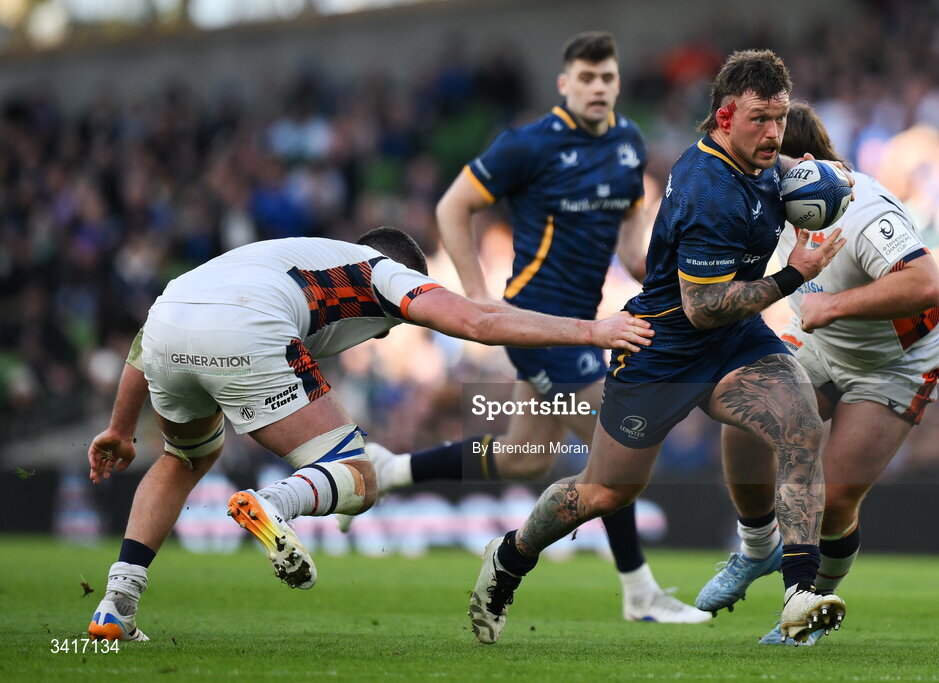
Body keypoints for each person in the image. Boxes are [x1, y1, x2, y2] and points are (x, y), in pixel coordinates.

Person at [85, 227, 654, 641]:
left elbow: (148, 334)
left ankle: (116, 605)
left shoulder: (290, 254)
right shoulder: (384, 275)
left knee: (182, 461)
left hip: (166, 326)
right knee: (358, 474)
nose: (385, 336)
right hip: (247, 330)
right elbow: (479, 322)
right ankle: (272, 502)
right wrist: (592, 330)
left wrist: (119, 428)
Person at [466, 48, 852, 647]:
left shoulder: (764, 163)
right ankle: (510, 557)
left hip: (733, 341)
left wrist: (837, 179)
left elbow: (812, 178)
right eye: (759, 119)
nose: (773, 132)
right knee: (605, 491)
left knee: (801, 424)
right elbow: (702, 308)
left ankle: (798, 593)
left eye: (779, 117)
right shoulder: (708, 188)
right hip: (664, 348)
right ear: (724, 118)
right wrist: (793, 275)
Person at [344, 32, 707, 624]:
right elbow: (451, 208)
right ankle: (638, 588)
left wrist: (652, 263)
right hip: (535, 319)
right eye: (585, 78)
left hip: (583, 323)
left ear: (618, 84)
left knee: (521, 458)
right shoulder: (529, 144)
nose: (597, 88)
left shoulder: (628, 143)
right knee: (617, 432)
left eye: (607, 78)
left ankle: (389, 469)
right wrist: (479, 298)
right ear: (564, 84)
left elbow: (632, 238)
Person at [694, 101, 939, 645]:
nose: (761, 180)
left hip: (896, 357)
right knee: (745, 411)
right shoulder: (765, 200)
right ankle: (757, 545)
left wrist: (831, 308)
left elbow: (928, 284)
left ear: (808, 162)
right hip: (816, 340)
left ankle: (806, 617)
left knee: (831, 500)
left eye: (774, 167)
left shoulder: (862, 209)